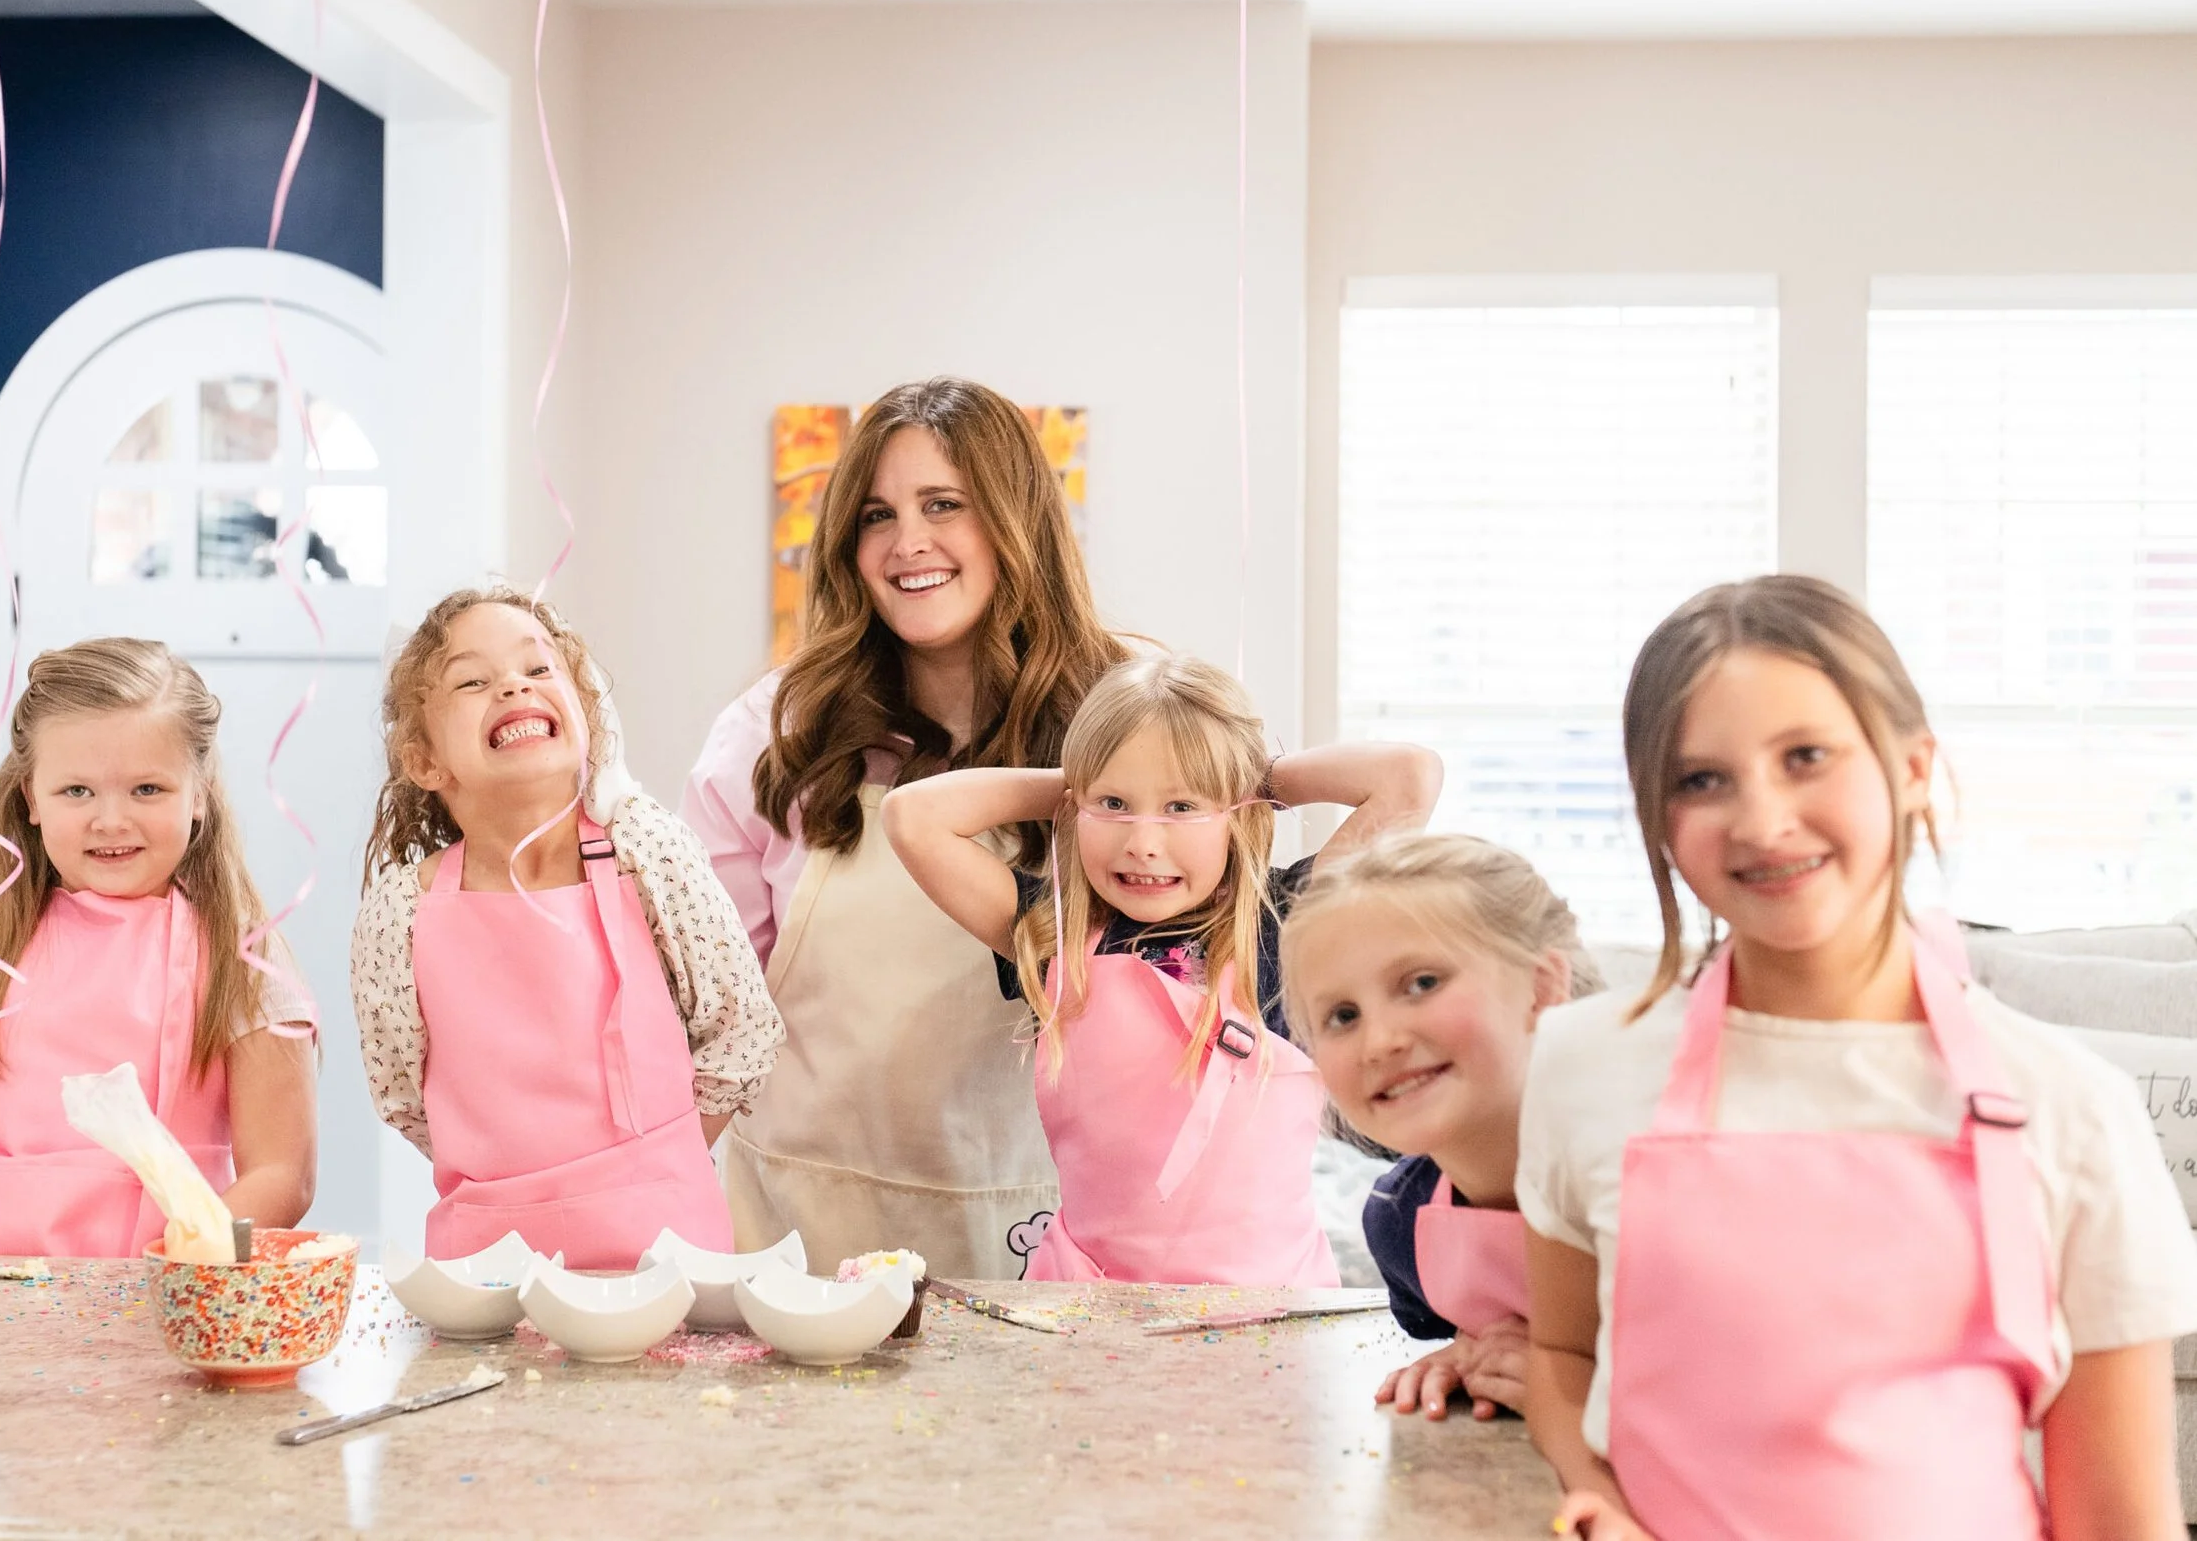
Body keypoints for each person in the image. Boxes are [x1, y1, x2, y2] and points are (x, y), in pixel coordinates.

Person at [1520, 574, 2197, 1540]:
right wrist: (1594, 1491)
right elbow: (1561, 1352)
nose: (1761, 821)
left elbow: (2120, 1522)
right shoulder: (1583, 1065)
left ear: (1914, 768)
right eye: (1700, 779)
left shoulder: (2069, 1105)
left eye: (1806, 757)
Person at [682, 377, 1130, 1276]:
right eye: (876, 516)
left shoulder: (1122, 722)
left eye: (943, 505)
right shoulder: (775, 738)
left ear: (1016, 519)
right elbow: (708, 1011)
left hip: (1048, 1234)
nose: (907, 543)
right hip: (797, 1237)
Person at [886, 651, 1440, 1284]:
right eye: (1116, 805)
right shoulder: (1052, 932)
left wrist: (1251, 779)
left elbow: (1409, 778)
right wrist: (1077, 788)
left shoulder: (1288, 925)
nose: (1143, 841)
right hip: (1088, 1313)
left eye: (1181, 808)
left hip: (1267, 1317)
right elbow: (913, 817)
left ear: (1238, 812)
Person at [351, 587, 780, 1267]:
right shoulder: (401, 907)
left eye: (539, 669)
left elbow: (740, 1030)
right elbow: (402, 1096)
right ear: (426, 760)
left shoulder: (647, 852)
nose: (514, 686)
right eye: (472, 680)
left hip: (667, 1261)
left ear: (585, 715)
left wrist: (650, 1165)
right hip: (483, 1269)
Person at [0, 639, 317, 1255]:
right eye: (77, 791)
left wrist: (189, 1271)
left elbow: (283, 1171)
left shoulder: (244, 955)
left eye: (147, 789)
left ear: (199, 795)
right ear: (30, 800)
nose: (111, 820)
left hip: (156, 1309)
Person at [1279, 834, 1601, 1420]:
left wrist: (1590, 1383)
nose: (1380, 1041)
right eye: (1342, 1016)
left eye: (1422, 984)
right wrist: (1472, 1355)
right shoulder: (1401, 1222)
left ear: (1542, 986)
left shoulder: (1652, 1175)